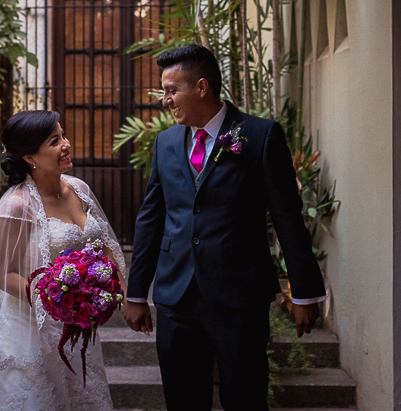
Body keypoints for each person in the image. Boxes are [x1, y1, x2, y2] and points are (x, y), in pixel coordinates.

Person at [123, 44, 325, 411]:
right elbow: (151, 217)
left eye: (171, 90)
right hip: (175, 297)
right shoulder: (165, 143)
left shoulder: (261, 136)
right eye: (163, 91)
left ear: (201, 87)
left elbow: (287, 216)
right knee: (183, 402)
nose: (164, 100)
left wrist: (305, 292)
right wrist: (136, 293)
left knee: (244, 399)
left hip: (238, 298)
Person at [0, 110, 124, 411]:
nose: (66, 145)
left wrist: (104, 287)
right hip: (31, 332)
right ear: (30, 156)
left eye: (64, 136)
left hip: (78, 326)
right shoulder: (16, 207)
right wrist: (58, 299)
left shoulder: (80, 190)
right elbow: (4, 274)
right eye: (54, 141)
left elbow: (105, 245)